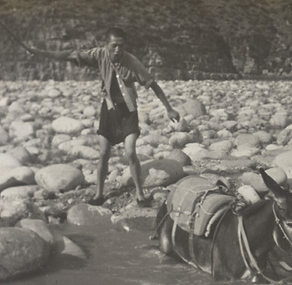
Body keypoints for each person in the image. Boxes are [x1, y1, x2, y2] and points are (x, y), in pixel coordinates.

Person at [28, 27, 180, 206]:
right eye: (114, 45)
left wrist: (169, 108)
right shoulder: (98, 55)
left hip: (128, 112)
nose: (117, 50)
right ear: (106, 45)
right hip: (108, 110)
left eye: (121, 46)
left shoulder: (132, 62)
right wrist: (41, 53)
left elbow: (152, 84)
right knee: (103, 153)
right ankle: (99, 195)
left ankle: (140, 195)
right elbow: (71, 55)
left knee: (130, 152)